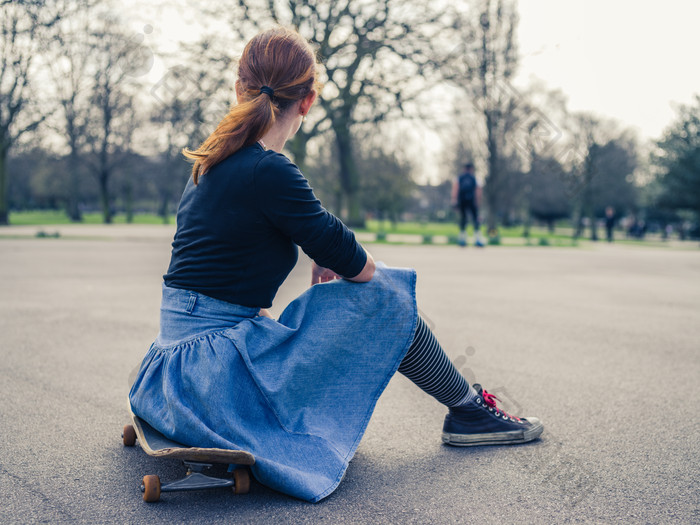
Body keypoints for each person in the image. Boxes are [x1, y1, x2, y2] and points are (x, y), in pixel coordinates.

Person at [128, 27, 543, 503]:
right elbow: (358, 265)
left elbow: (242, 245)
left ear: (238, 88)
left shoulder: (213, 158)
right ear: (307, 102)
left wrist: (316, 247)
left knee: (350, 301)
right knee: (385, 294)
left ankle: (466, 408)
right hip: (214, 380)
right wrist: (327, 252)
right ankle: (468, 410)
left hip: (171, 370)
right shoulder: (269, 169)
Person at [451, 162, 485, 247]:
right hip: (471, 201)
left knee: (463, 219)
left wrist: (454, 200)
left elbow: (455, 189)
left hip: (462, 201)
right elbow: (478, 191)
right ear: (471, 169)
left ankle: (462, 239)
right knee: (475, 219)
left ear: (464, 169)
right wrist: (478, 202)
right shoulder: (475, 178)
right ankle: (477, 239)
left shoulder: (459, 178)